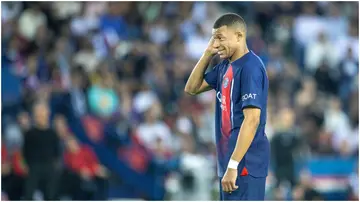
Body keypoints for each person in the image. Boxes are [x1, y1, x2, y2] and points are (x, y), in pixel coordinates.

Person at [184, 13, 269, 200]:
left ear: (239, 36)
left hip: (245, 165)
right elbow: (192, 87)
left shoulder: (251, 68)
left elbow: (252, 119)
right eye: (213, 38)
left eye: (220, 37)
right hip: (228, 164)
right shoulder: (225, 66)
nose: (216, 43)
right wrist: (207, 53)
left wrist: (233, 165)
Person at [22, 101, 61, 200]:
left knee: (51, 195)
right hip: (34, 167)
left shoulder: (52, 133)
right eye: (38, 113)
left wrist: (55, 164)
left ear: (48, 114)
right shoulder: (30, 134)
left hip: (49, 166)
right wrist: (27, 165)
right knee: (29, 194)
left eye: (43, 112)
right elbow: (25, 151)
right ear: (34, 115)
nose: (40, 115)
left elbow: (57, 151)